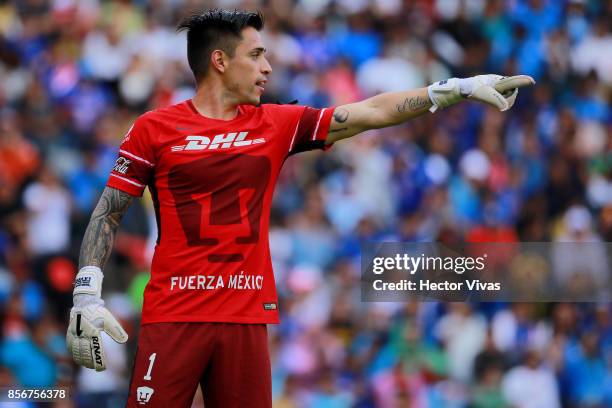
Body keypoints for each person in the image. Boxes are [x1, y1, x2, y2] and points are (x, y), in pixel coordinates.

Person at [65, 8, 534, 408]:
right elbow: (109, 211)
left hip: (246, 316)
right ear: (220, 61)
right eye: (256, 55)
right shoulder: (154, 128)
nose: (268, 67)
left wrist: (453, 89)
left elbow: (370, 112)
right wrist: (87, 291)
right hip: (174, 313)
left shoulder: (278, 124)